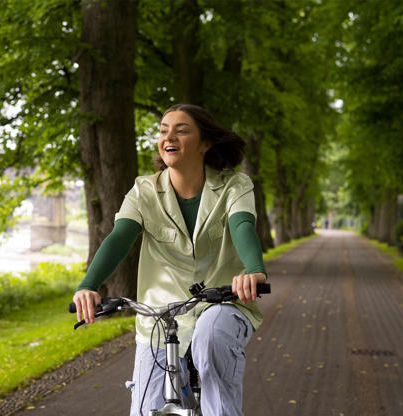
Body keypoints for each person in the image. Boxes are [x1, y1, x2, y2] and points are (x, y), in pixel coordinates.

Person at [72, 104, 267, 416]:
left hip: (224, 302)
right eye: (163, 130)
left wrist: (254, 271)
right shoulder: (144, 190)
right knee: (145, 410)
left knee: (211, 335)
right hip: (160, 316)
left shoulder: (234, 185)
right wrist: (89, 285)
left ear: (206, 143)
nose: (168, 136)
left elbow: (242, 225)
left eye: (181, 129)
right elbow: (120, 237)